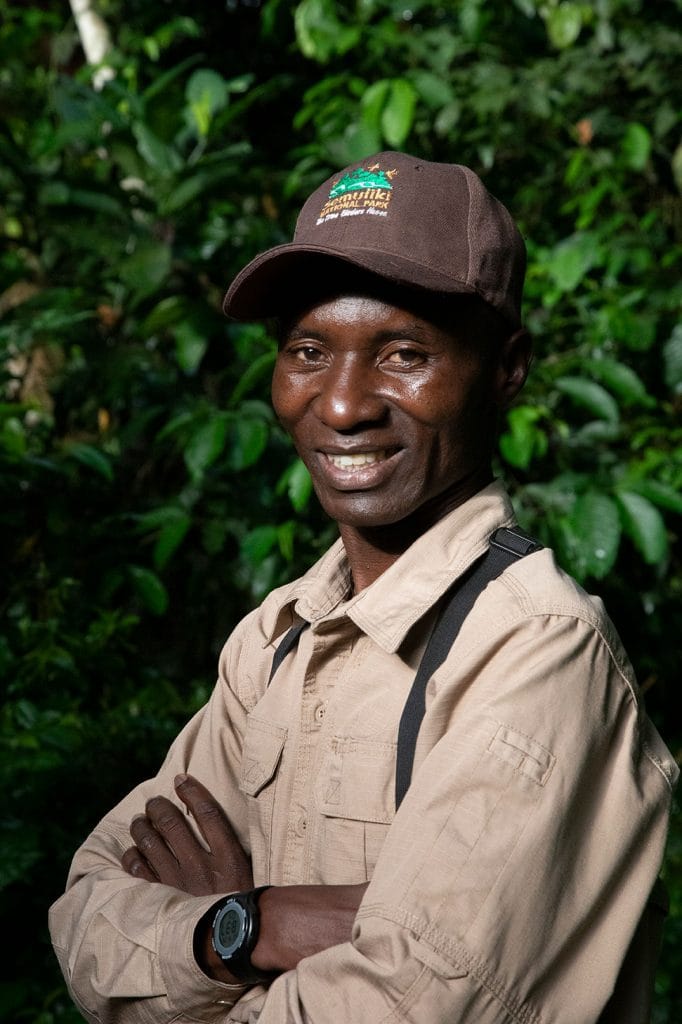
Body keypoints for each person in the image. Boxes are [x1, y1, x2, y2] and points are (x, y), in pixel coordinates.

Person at [49, 151, 678, 1024]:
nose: (343, 405)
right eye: (309, 351)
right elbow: (83, 918)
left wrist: (196, 958)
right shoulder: (276, 641)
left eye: (404, 353)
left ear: (507, 370)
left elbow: (411, 1007)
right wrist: (254, 925)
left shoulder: (535, 650)